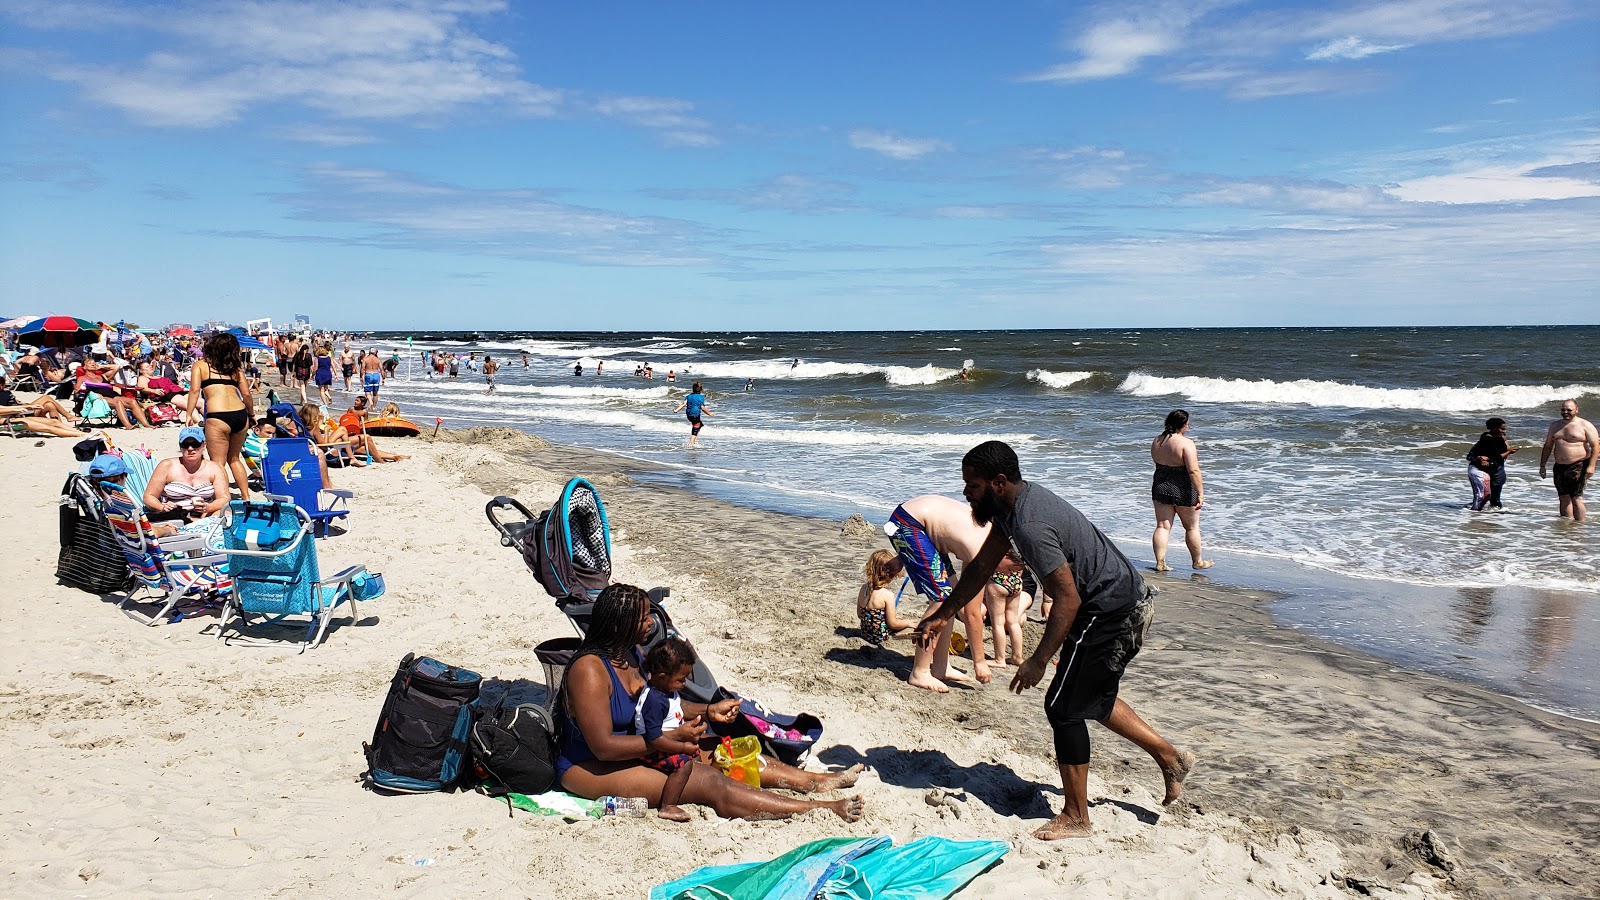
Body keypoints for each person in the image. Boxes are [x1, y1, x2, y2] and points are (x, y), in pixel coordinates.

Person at [917, 440, 1195, 840]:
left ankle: (1077, 818)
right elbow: (980, 568)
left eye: (971, 486)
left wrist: (1037, 659)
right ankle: (1170, 758)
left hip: (1112, 610)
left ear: (997, 483)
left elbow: (1066, 597)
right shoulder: (1011, 509)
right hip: (1115, 602)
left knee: (1062, 707)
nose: (965, 493)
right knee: (1087, 698)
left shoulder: (1029, 523)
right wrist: (944, 615)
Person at [557, 583, 864, 821]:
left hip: (640, 747)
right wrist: (670, 740)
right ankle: (820, 808)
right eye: (642, 619)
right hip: (591, 766)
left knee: (725, 750)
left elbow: (659, 705)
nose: (650, 624)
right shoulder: (590, 671)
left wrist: (708, 710)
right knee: (709, 781)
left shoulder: (630, 652)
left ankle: (814, 782)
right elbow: (603, 747)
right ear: (616, 627)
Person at [886, 494, 995, 691]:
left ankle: (940, 666)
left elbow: (963, 599)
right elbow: (971, 613)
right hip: (908, 523)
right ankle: (919, 672)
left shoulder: (991, 537)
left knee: (950, 598)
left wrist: (903, 556)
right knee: (942, 600)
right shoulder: (982, 551)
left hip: (917, 524)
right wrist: (979, 661)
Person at [184, 331, 255, 501]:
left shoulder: (201, 365)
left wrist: (189, 413)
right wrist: (251, 414)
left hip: (218, 416)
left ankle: (225, 499)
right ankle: (246, 497)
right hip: (240, 414)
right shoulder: (235, 370)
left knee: (218, 462)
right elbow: (246, 395)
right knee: (235, 459)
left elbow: (194, 390)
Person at [635, 637, 699, 822]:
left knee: (695, 755)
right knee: (684, 764)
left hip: (668, 739)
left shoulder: (667, 691)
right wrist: (682, 748)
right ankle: (668, 805)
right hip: (652, 749)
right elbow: (654, 738)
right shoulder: (655, 701)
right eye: (681, 679)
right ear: (662, 677)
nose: (684, 684)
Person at [1150, 409, 1212, 571]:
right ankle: (1197, 561)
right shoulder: (1186, 443)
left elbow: (1157, 462)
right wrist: (1201, 493)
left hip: (1161, 485)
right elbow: (1193, 471)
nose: (1188, 426)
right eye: (1187, 424)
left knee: (1162, 526)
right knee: (1191, 527)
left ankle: (1160, 562)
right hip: (1183, 487)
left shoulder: (1157, 441)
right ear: (1182, 425)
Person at [143, 426, 229, 523]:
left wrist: (208, 507)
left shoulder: (214, 468)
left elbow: (224, 498)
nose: (190, 448)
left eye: (195, 444)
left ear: (204, 445)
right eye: (185, 445)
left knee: (227, 516)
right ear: (180, 447)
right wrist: (162, 507)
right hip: (175, 516)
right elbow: (149, 496)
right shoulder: (167, 466)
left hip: (205, 514)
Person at [1539, 399, 1599, 522]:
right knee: (1563, 497)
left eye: (1569, 410)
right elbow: (1548, 446)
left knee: (1576, 498)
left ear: (1576, 410)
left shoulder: (1585, 425)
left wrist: (1591, 466)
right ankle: (1566, 527)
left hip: (1579, 465)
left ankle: (1580, 526)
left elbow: (1595, 446)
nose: (1565, 412)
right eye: (1563, 410)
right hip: (1560, 466)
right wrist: (1542, 465)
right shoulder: (1555, 426)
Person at [856, 549, 918, 647]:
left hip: (865, 635)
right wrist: (906, 622)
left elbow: (860, 614)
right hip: (880, 638)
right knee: (906, 626)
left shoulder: (863, 588)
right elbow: (892, 624)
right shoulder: (887, 595)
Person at [984, 548, 1031, 668]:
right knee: (1013, 621)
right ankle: (1017, 657)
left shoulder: (1000, 544)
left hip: (998, 581)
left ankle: (999, 659)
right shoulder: (1018, 544)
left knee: (998, 622)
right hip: (1016, 581)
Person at [1466, 417, 1517, 511]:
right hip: (1488, 469)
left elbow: (1504, 452)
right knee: (1488, 496)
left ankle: (1489, 515)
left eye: (1505, 429)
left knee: (1492, 497)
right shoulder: (1487, 439)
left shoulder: (1500, 438)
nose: (1504, 431)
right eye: (1502, 429)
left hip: (1495, 468)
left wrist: (1506, 442)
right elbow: (1496, 456)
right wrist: (1509, 452)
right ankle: (1487, 515)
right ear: (1494, 428)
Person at [673, 381, 713, 448]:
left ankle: (694, 441)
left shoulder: (688, 396)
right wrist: (709, 414)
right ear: (701, 389)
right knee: (695, 428)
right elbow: (702, 408)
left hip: (689, 415)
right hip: (695, 415)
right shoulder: (700, 397)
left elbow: (683, 404)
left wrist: (676, 410)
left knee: (700, 425)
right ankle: (691, 444)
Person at [290, 339, 313, 405]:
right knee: (303, 387)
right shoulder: (308, 356)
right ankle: (304, 401)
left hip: (300, 371)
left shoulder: (298, 355)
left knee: (303, 387)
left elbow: (294, 364)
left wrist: (293, 372)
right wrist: (313, 374)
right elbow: (311, 365)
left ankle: (302, 401)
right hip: (306, 372)